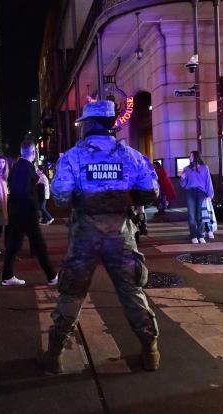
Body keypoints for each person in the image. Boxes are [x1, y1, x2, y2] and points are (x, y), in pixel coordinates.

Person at [40, 100, 160, 374]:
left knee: (72, 293)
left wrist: (86, 196)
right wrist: (123, 197)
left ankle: (55, 355)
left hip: (85, 235)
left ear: (90, 125)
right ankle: (150, 350)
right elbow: (151, 192)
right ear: (110, 125)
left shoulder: (73, 157)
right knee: (132, 292)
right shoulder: (131, 156)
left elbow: (59, 196)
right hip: (121, 234)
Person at [1, 139, 58, 286]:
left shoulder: (16, 166)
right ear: (33, 152)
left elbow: (13, 188)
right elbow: (25, 191)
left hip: (15, 210)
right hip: (26, 211)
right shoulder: (27, 167)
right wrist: (35, 207)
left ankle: (7, 276)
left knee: (14, 245)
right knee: (39, 245)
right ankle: (52, 276)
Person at [180, 150, 214, 244]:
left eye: (191, 156)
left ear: (196, 157)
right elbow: (183, 184)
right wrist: (182, 179)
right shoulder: (186, 169)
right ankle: (193, 236)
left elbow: (208, 182)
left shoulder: (205, 168)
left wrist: (210, 195)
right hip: (190, 192)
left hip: (201, 193)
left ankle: (201, 235)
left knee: (201, 215)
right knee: (191, 215)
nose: (189, 157)